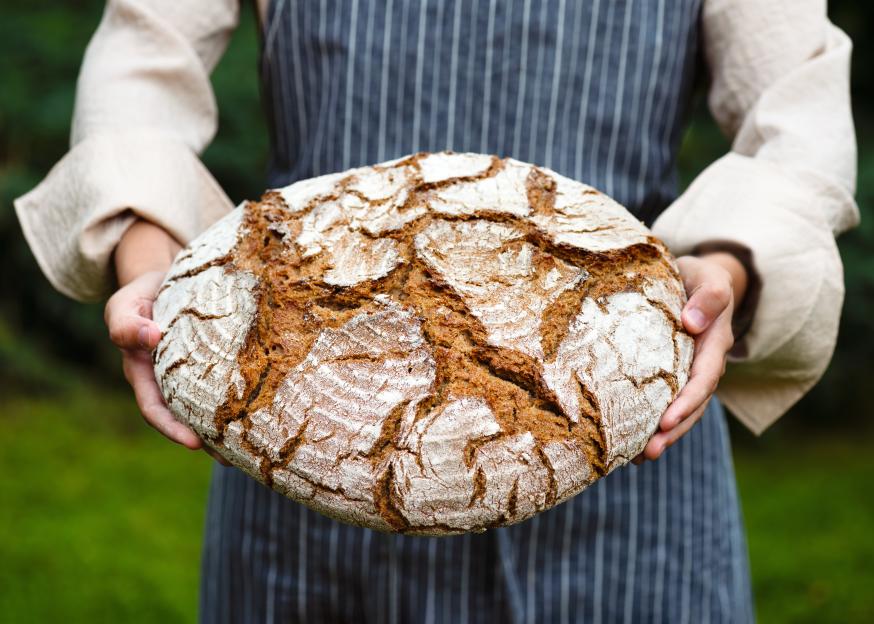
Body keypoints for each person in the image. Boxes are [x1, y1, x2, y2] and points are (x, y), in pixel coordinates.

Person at [15, 0, 858, 622]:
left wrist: (726, 268)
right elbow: (143, 60)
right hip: (317, 428)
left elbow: (799, 111)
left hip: (622, 411)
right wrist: (153, 263)